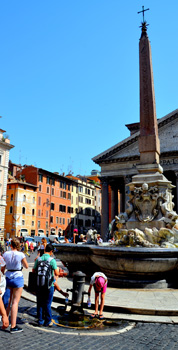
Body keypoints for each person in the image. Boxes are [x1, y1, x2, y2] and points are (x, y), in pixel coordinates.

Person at [3, 238, 28, 333]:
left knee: (8, 302)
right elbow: (26, 266)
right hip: (17, 276)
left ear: (10, 245)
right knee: (15, 302)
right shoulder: (21, 254)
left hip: (8, 276)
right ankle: (13, 326)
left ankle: (5, 323)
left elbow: (3, 267)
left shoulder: (5, 254)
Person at [32, 243, 58, 327]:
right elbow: (57, 272)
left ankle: (40, 320)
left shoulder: (38, 259)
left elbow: (33, 270)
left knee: (39, 303)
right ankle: (48, 321)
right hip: (49, 285)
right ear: (51, 251)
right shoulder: (52, 260)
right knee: (47, 303)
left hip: (39, 284)